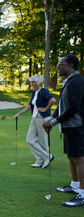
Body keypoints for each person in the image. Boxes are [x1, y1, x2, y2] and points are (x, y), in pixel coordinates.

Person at [42, 55, 84, 207]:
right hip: (68, 126)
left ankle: (83, 193)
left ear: (71, 65)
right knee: (71, 156)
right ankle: (74, 185)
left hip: (76, 125)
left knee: (79, 158)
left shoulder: (77, 81)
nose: (58, 67)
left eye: (61, 64)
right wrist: (51, 120)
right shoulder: (68, 82)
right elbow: (62, 106)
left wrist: (54, 121)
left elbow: (74, 107)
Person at [13, 74, 56, 168]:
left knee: (43, 140)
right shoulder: (34, 92)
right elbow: (29, 106)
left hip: (43, 118)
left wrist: (45, 109)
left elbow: (53, 100)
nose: (31, 84)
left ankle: (43, 160)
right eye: (31, 82)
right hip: (34, 117)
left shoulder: (43, 91)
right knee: (29, 139)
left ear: (39, 82)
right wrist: (18, 114)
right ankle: (45, 157)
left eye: (33, 82)